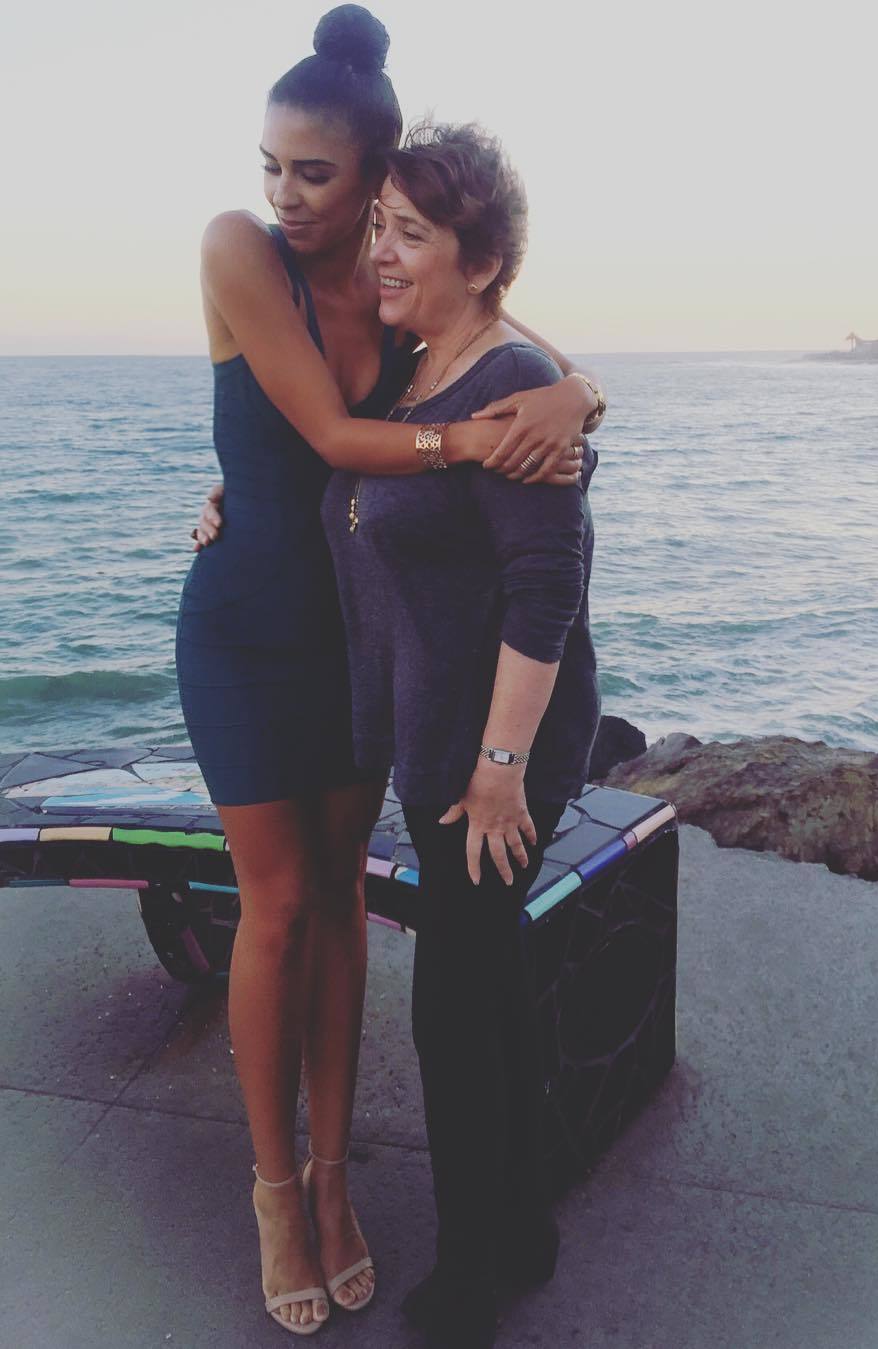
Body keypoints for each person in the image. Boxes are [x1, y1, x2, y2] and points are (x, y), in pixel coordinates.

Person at [174, 7, 606, 1337]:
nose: (286, 194)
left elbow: (517, 346)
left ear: (376, 179)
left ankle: (341, 1179)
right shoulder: (244, 250)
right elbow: (322, 434)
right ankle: (278, 1195)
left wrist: (576, 397)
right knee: (279, 908)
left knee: (358, 916)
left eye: (317, 173)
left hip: (374, 660)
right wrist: (476, 442)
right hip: (255, 635)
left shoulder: (408, 291)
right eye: (271, 165)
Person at [324, 122, 601, 1349]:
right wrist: (240, 494)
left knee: (453, 1013)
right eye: (379, 227)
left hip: (492, 756)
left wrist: (499, 774)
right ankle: (522, 1224)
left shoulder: (506, 384)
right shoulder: (420, 369)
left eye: (411, 234)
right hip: (449, 741)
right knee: (486, 988)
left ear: (482, 262)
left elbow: (547, 589)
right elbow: (361, 479)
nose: (381, 253)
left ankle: (469, 1278)